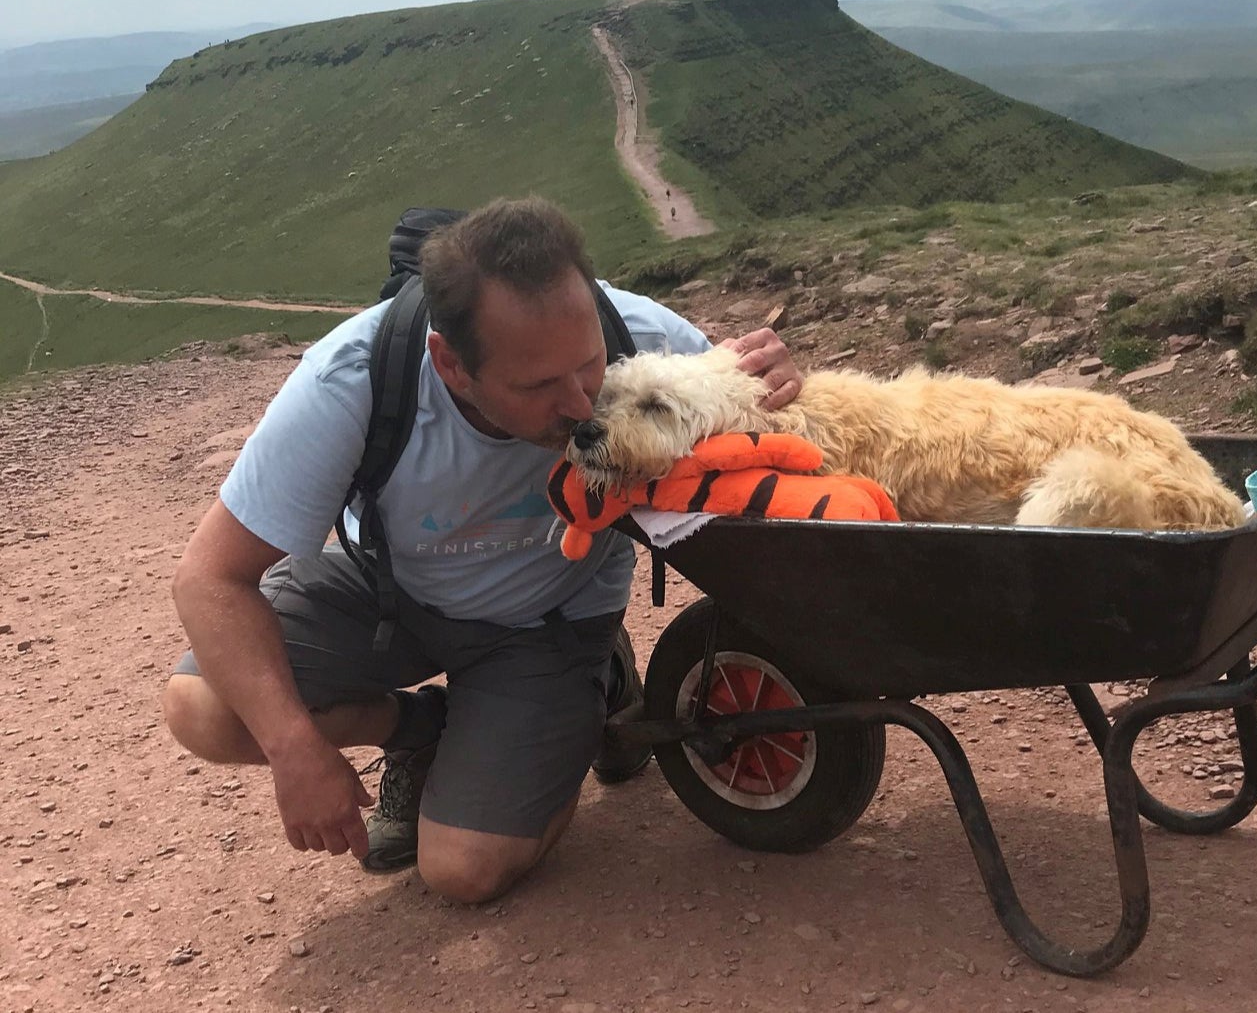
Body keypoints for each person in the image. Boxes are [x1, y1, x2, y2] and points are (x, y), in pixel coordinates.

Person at [161, 196, 802, 904]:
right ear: (452, 364)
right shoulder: (353, 379)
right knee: (205, 709)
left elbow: (776, 452)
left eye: (590, 366)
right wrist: (292, 747)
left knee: (462, 872)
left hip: (547, 623)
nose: (582, 406)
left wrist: (776, 387)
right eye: (537, 386)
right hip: (390, 598)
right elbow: (210, 579)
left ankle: (597, 682)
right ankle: (421, 730)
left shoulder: (643, 333)